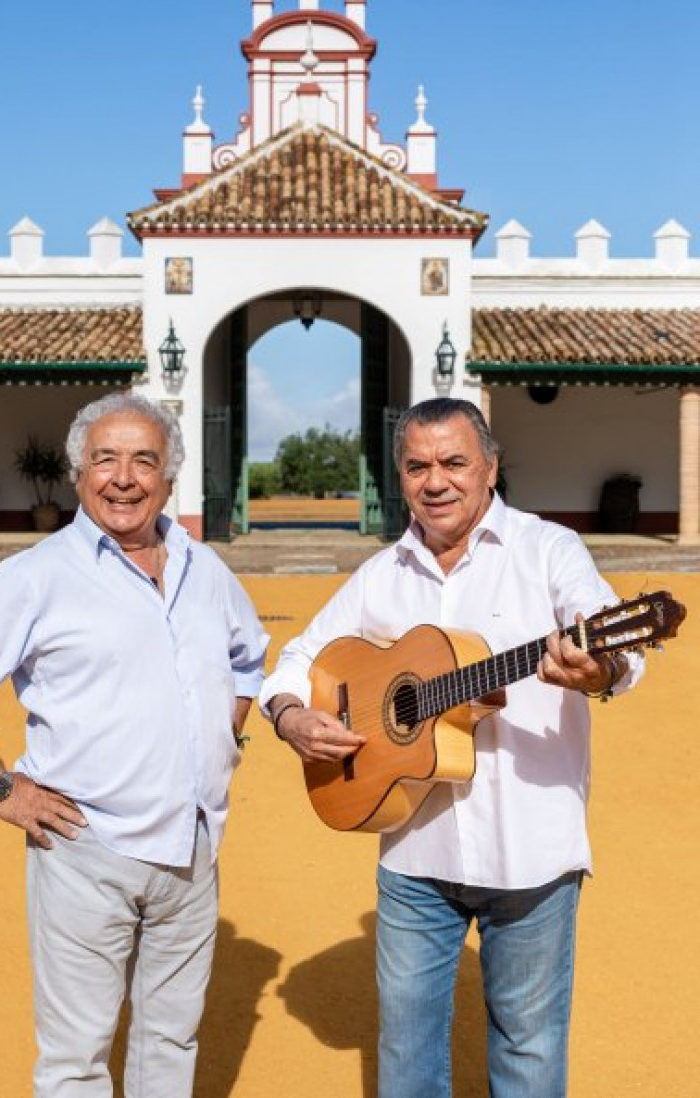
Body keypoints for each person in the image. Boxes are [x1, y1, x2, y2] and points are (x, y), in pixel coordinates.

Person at [260, 397, 643, 1098]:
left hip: (530, 850)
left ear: (490, 468)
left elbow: (606, 637)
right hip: (413, 852)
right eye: (417, 466)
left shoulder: (549, 550)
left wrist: (603, 666)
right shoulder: (384, 574)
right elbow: (298, 655)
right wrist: (290, 716)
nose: (435, 481)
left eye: (454, 462)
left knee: (528, 1049)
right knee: (405, 1052)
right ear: (401, 477)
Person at [0, 392, 268, 1098]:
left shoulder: (204, 569)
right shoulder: (35, 575)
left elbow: (249, 654)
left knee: (170, 1040)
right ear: (79, 474)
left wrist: (218, 737)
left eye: (145, 460)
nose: (125, 477)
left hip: (193, 845)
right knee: (76, 1057)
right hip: (84, 847)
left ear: (170, 478)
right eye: (106, 459)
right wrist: (0, 788)